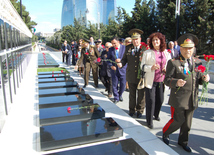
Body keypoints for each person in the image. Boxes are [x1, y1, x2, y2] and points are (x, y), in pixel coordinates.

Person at [162, 33, 210, 152]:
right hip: (178, 99)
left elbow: (198, 78)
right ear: (181, 49)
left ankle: (183, 141)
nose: (188, 50)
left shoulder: (197, 62)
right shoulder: (174, 62)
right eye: (185, 48)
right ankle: (165, 133)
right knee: (178, 121)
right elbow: (166, 80)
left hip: (192, 98)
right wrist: (175, 82)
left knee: (187, 124)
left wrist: (204, 79)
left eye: (190, 48)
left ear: (193, 49)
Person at [141, 32, 171, 129]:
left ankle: (156, 114)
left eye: (157, 40)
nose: (155, 42)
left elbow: (169, 65)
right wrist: (151, 67)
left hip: (161, 81)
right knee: (151, 101)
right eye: (153, 40)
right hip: (150, 80)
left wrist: (166, 69)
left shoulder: (166, 53)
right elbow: (142, 66)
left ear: (161, 41)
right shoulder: (147, 52)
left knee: (160, 100)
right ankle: (149, 121)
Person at [117, 29, 146, 118]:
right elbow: (124, 59)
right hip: (131, 75)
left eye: (137, 39)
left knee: (141, 95)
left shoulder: (144, 48)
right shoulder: (128, 48)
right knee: (132, 94)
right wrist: (121, 63)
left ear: (140, 39)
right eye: (133, 39)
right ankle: (131, 110)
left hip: (141, 76)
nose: (135, 41)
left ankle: (140, 110)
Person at [107, 36, 127, 103]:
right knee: (114, 84)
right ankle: (116, 98)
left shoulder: (124, 48)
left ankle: (120, 94)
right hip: (114, 70)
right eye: (112, 43)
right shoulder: (111, 49)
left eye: (115, 43)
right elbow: (108, 60)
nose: (114, 45)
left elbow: (127, 59)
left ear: (118, 41)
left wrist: (121, 60)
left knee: (123, 84)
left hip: (123, 69)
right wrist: (111, 66)